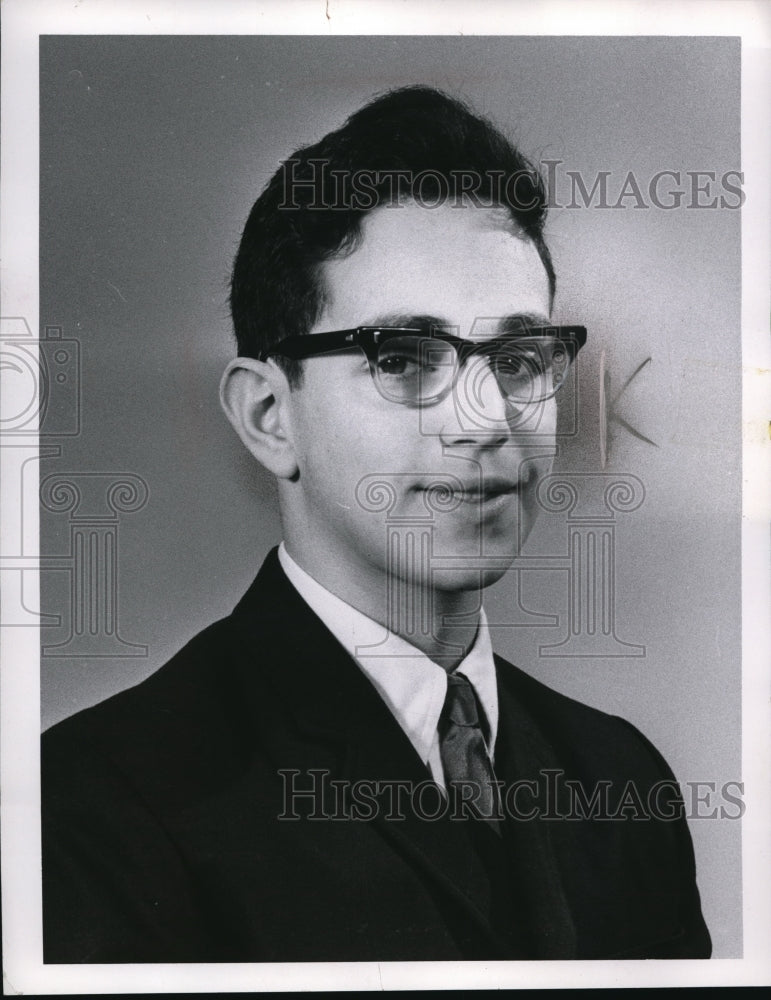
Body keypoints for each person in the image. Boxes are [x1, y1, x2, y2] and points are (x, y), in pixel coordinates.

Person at [41, 86, 711, 962]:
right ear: (269, 416)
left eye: (516, 358)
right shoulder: (101, 799)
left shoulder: (621, 779)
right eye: (401, 357)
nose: (484, 419)